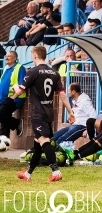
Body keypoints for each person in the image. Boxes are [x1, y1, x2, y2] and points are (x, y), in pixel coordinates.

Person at [14, 45, 74, 183]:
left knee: (44, 141)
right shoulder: (54, 72)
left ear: (35, 56)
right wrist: (70, 112)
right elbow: (62, 95)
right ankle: (28, 174)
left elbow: (20, 91)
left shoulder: (33, 71)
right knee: (37, 146)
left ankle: (56, 171)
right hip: (48, 113)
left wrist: (15, 88)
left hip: (38, 114)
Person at [0, 50, 25, 139]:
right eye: (6, 56)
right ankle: (4, 141)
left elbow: (22, 84)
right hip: (3, 99)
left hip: (14, 98)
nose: (6, 58)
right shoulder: (6, 68)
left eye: (9, 56)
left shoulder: (20, 68)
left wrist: (13, 97)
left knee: (1, 114)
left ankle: (15, 123)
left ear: (15, 58)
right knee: (4, 121)